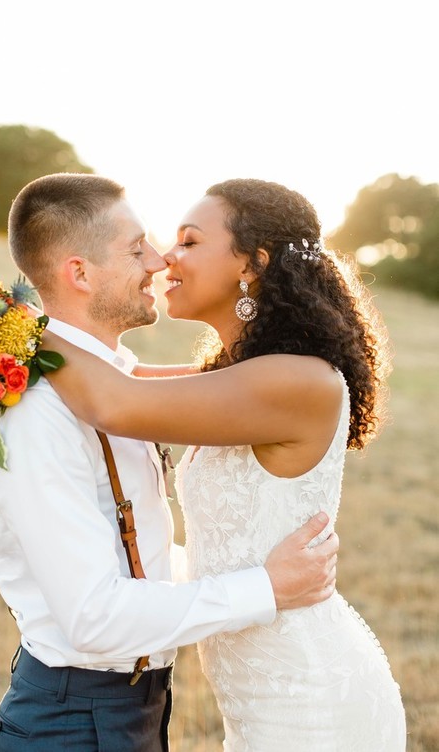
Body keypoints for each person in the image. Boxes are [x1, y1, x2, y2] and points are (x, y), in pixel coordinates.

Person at [0, 173, 339, 752]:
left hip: (146, 704)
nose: (159, 259)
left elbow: (136, 538)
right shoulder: (42, 408)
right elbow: (93, 616)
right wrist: (263, 586)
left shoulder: (118, 384)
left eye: (182, 242)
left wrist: (16, 332)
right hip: (76, 716)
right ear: (80, 273)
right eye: (137, 246)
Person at [43, 178, 407, 751]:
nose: (166, 258)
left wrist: (2, 327)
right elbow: (124, 378)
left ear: (253, 263)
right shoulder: (246, 373)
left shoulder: (295, 379)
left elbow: (112, 401)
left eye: (189, 242)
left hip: (309, 699)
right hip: (259, 696)